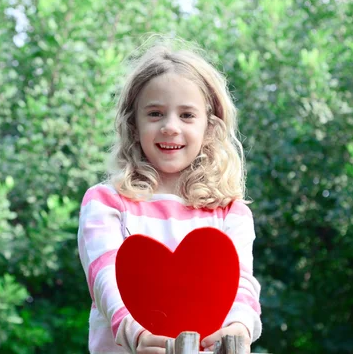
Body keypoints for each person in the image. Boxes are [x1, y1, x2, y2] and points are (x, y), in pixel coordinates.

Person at [77, 40, 262, 354]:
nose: (170, 127)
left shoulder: (230, 212)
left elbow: (240, 283)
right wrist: (135, 333)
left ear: (210, 127)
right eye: (155, 113)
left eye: (187, 115)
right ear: (133, 125)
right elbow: (106, 276)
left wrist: (239, 328)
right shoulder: (107, 203)